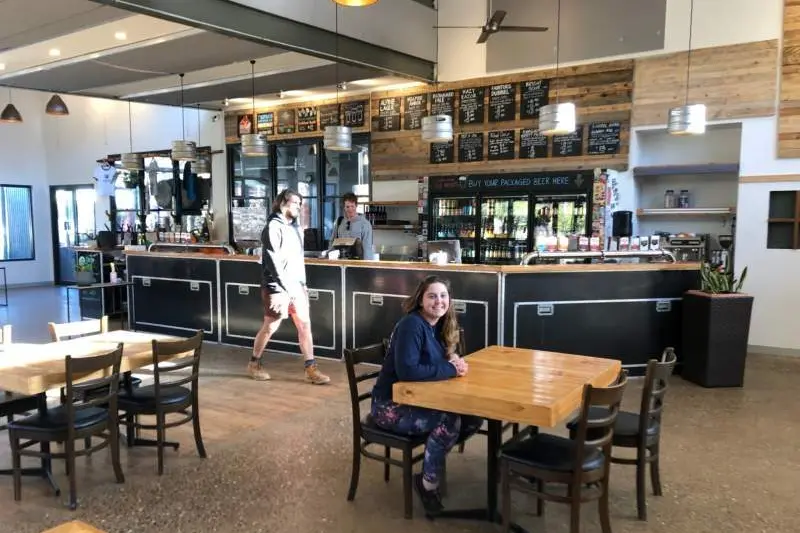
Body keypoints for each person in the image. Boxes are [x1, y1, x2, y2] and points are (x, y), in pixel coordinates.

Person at [370, 275, 483, 515]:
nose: (438, 301)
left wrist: (450, 358)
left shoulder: (437, 325)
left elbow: (430, 360)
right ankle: (427, 485)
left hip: (418, 399)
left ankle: (433, 458)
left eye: (443, 296)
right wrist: (451, 369)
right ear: (421, 300)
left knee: (472, 417)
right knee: (448, 420)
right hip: (389, 405)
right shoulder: (412, 324)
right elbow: (408, 371)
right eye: (432, 296)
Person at [248, 188, 330, 385]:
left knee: (304, 325)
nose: (299, 208)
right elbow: (273, 262)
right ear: (283, 202)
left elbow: (297, 259)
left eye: (300, 204)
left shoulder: (294, 227)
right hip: (277, 287)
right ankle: (254, 363)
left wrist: (302, 284)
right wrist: (287, 288)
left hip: (297, 286)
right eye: (296, 203)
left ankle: (311, 368)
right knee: (271, 326)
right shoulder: (272, 228)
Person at [331, 192, 374, 259]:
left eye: (352, 206)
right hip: (340, 263)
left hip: (358, 264)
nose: (350, 209)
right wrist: (328, 255)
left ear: (356, 206)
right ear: (344, 207)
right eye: (347, 207)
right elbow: (332, 242)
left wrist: (366, 267)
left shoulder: (365, 224)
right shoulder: (339, 222)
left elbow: (367, 248)